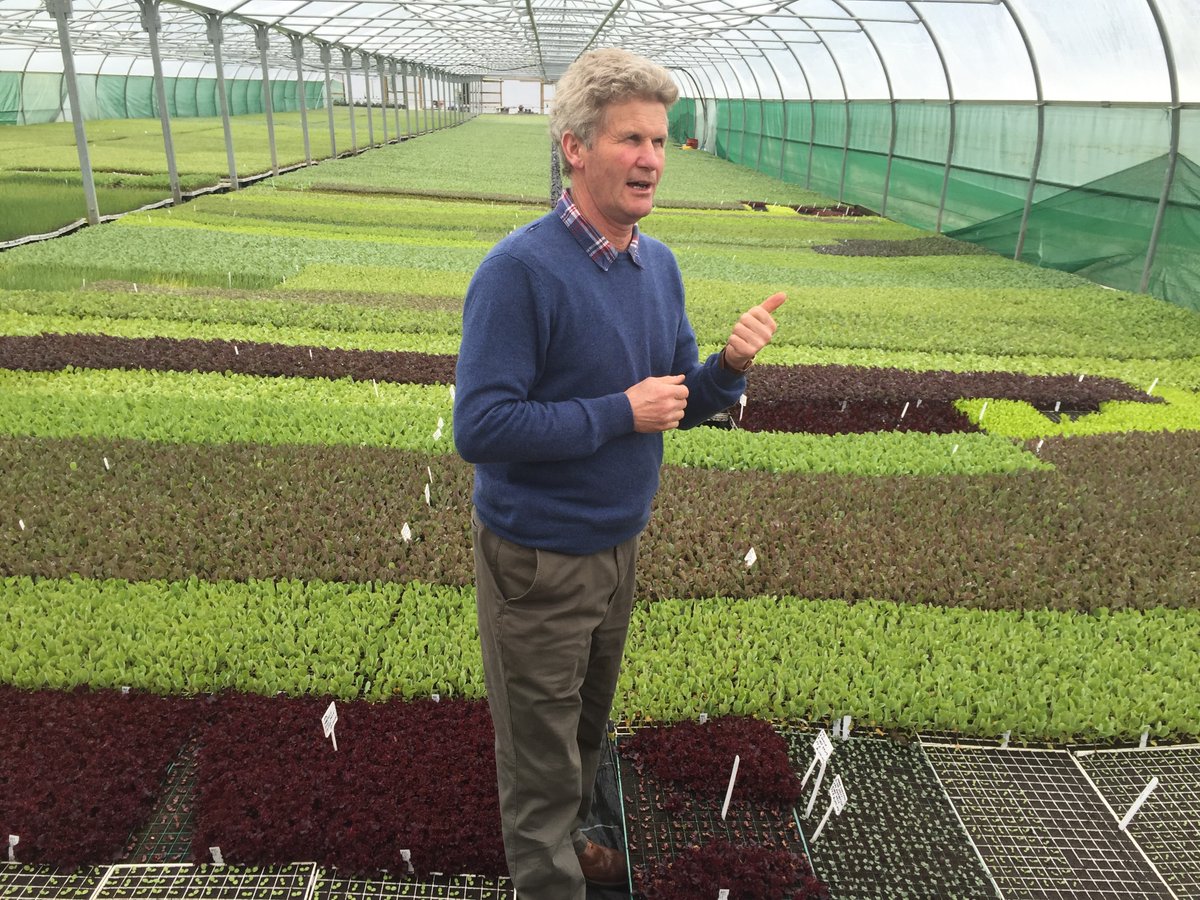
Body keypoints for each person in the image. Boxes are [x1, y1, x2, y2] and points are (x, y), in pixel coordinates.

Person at [453, 47, 785, 900]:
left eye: (660, 141)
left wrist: (729, 368)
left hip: (617, 547)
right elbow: (481, 427)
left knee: (587, 729)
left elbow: (679, 396)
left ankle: (575, 844)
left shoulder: (656, 264)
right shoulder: (518, 273)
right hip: (539, 561)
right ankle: (549, 876)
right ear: (574, 147)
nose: (650, 159)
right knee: (538, 754)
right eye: (630, 139)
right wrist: (618, 411)